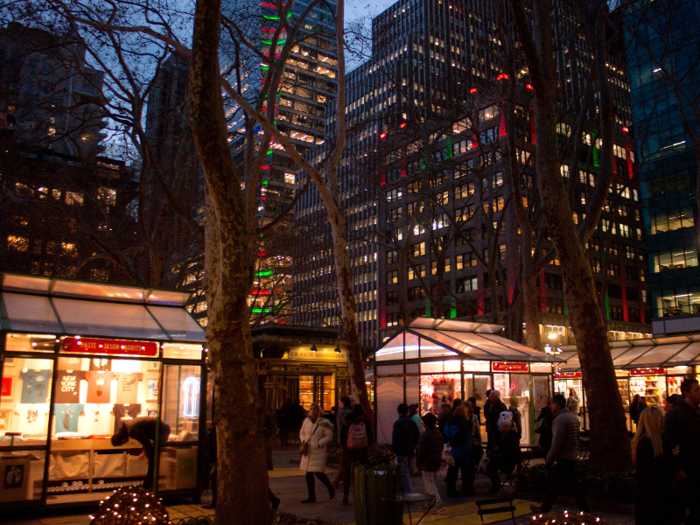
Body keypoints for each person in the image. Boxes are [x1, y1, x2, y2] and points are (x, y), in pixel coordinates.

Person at [531, 394, 590, 514]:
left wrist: (550, 459)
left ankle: (585, 509)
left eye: (552, 404)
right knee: (562, 485)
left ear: (558, 405)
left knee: (562, 485)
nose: (551, 406)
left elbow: (557, 442)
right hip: (571, 454)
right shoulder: (572, 417)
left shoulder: (560, 420)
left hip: (564, 456)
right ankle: (584, 509)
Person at [663, 377, 700, 523]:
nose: (699, 393)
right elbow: (669, 443)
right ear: (687, 393)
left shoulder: (695, 413)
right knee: (680, 510)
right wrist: (676, 469)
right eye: (696, 390)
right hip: (685, 472)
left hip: (695, 470)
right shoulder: (677, 414)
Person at [111, 417, 171, 490]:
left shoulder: (132, 431)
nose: (125, 443)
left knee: (153, 460)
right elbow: (145, 441)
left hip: (162, 430)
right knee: (153, 458)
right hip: (161, 428)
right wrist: (144, 453)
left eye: (122, 444)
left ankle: (148, 486)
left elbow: (146, 443)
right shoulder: (128, 427)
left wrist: (148, 457)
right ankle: (149, 485)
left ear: (122, 440)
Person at [633, 407, 669, 525]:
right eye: (661, 418)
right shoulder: (646, 443)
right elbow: (649, 473)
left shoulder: (656, 441)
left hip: (653, 497)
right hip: (652, 498)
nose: (664, 420)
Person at [299, 403, 335, 503]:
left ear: (318, 410)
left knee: (318, 472)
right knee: (309, 473)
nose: (312, 411)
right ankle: (311, 496)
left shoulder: (324, 422)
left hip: (318, 450)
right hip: (308, 450)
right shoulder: (306, 421)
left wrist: (319, 443)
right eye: (311, 409)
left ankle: (330, 487)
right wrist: (303, 441)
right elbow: (302, 432)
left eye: (315, 409)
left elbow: (329, 436)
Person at [339, 404, 373, 505]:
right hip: (362, 452)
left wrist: (346, 446)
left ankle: (346, 495)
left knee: (347, 473)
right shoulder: (365, 423)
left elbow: (342, 439)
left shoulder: (348, 422)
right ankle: (361, 495)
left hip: (349, 452)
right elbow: (370, 437)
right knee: (362, 472)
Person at [416, 413, 445, 514]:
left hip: (427, 463)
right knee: (430, 483)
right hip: (435, 461)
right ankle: (428, 503)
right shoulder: (438, 433)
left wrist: (418, 462)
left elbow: (421, 451)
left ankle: (437, 504)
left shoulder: (425, 435)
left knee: (429, 485)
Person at [443, 404, 472, 498]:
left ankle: (451, 491)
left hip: (452, 450)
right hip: (464, 450)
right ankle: (466, 490)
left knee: (452, 471)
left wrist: (451, 442)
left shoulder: (449, 423)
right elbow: (463, 437)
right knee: (466, 472)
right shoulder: (464, 423)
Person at [486, 419, 521, 494]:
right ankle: (496, 484)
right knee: (490, 466)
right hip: (507, 459)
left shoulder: (510, 437)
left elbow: (505, 449)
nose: (503, 428)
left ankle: (496, 484)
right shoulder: (508, 435)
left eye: (505, 427)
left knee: (490, 467)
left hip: (508, 460)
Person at [392, 403, 420, 493]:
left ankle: (408, 490)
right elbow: (417, 435)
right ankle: (406, 489)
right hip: (410, 449)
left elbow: (396, 437)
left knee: (404, 471)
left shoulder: (398, 423)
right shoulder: (412, 422)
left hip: (401, 450)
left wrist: (395, 449)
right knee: (407, 470)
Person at [332, 396, 353, 489]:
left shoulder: (341, 412)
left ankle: (338, 480)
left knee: (344, 459)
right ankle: (344, 478)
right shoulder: (351, 412)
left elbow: (339, 426)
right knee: (346, 458)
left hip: (343, 438)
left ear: (342, 402)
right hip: (351, 438)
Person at [464, 400, 482, 496]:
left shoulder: (464, 417)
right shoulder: (473, 417)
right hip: (472, 443)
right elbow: (477, 431)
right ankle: (470, 484)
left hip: (468, 443)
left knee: (468, 466)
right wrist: (480, 443)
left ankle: (468, 485)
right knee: (470, 466)